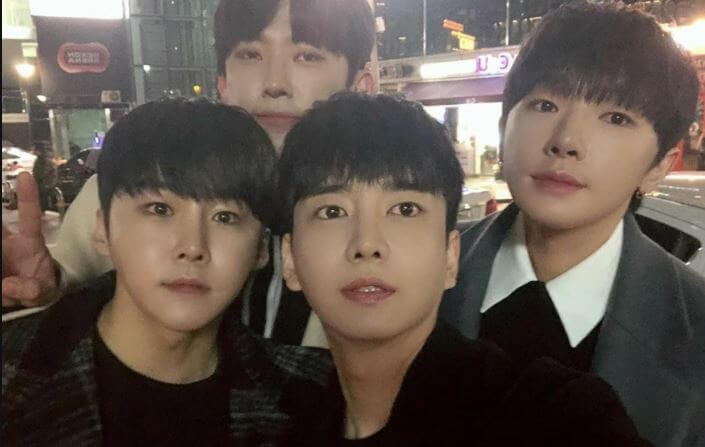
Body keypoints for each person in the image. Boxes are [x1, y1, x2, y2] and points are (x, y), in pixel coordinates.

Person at [275, 92, 648, 446]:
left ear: (450, 256)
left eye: (405, 209)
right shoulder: (288, 426)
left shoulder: (548, 414)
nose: (367, 244)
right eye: (332, 212)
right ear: (290, 259)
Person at [1, 0, 376, 319]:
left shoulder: (390, 214)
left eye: (307, 55)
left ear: (361, 86)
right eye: (250, 54)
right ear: (223, 82)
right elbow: (71, 283)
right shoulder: (133, 188)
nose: (274, 83)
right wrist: (50, 284)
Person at [438, 3, 705, 446]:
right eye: (544, 104)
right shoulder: (417, 273)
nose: (566, 141)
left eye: (616, 118)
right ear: (504, 127)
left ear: (661, 164)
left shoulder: (695, 330)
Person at [2, 98, 333, 446]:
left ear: (262, 249)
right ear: (102, 228)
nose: (192, 247)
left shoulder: (310, 397)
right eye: (159, 209)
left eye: (225, 217)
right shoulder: (15, 376)